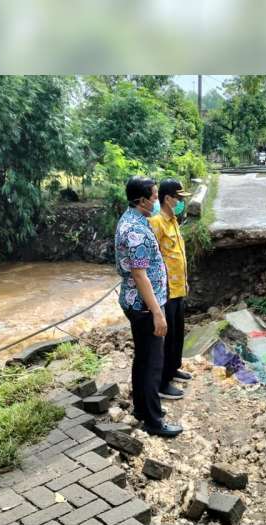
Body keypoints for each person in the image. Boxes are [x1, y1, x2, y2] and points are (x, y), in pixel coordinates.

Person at [114, 176, 182, 438]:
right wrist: (157, 313)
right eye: (154, 196)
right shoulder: (137, 231)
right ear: (141, 200)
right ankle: (154, 421)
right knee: (153, 364)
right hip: (144, 306)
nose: (157, 200)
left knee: (142, 359)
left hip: (137, 302)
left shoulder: (132, 220)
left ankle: (141, 410)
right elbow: (140, 275)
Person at [149, 178, 193, 401]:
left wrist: (185, 281)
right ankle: (163, 382)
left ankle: (174, 368)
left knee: (177, 335)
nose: (180, 202)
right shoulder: (157, 223)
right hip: (166, 291)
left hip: (178, 288)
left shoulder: (173, 221)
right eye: (178, 198)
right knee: (168, 337)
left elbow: (177, 256)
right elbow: (153, 259)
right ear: (168, 198)